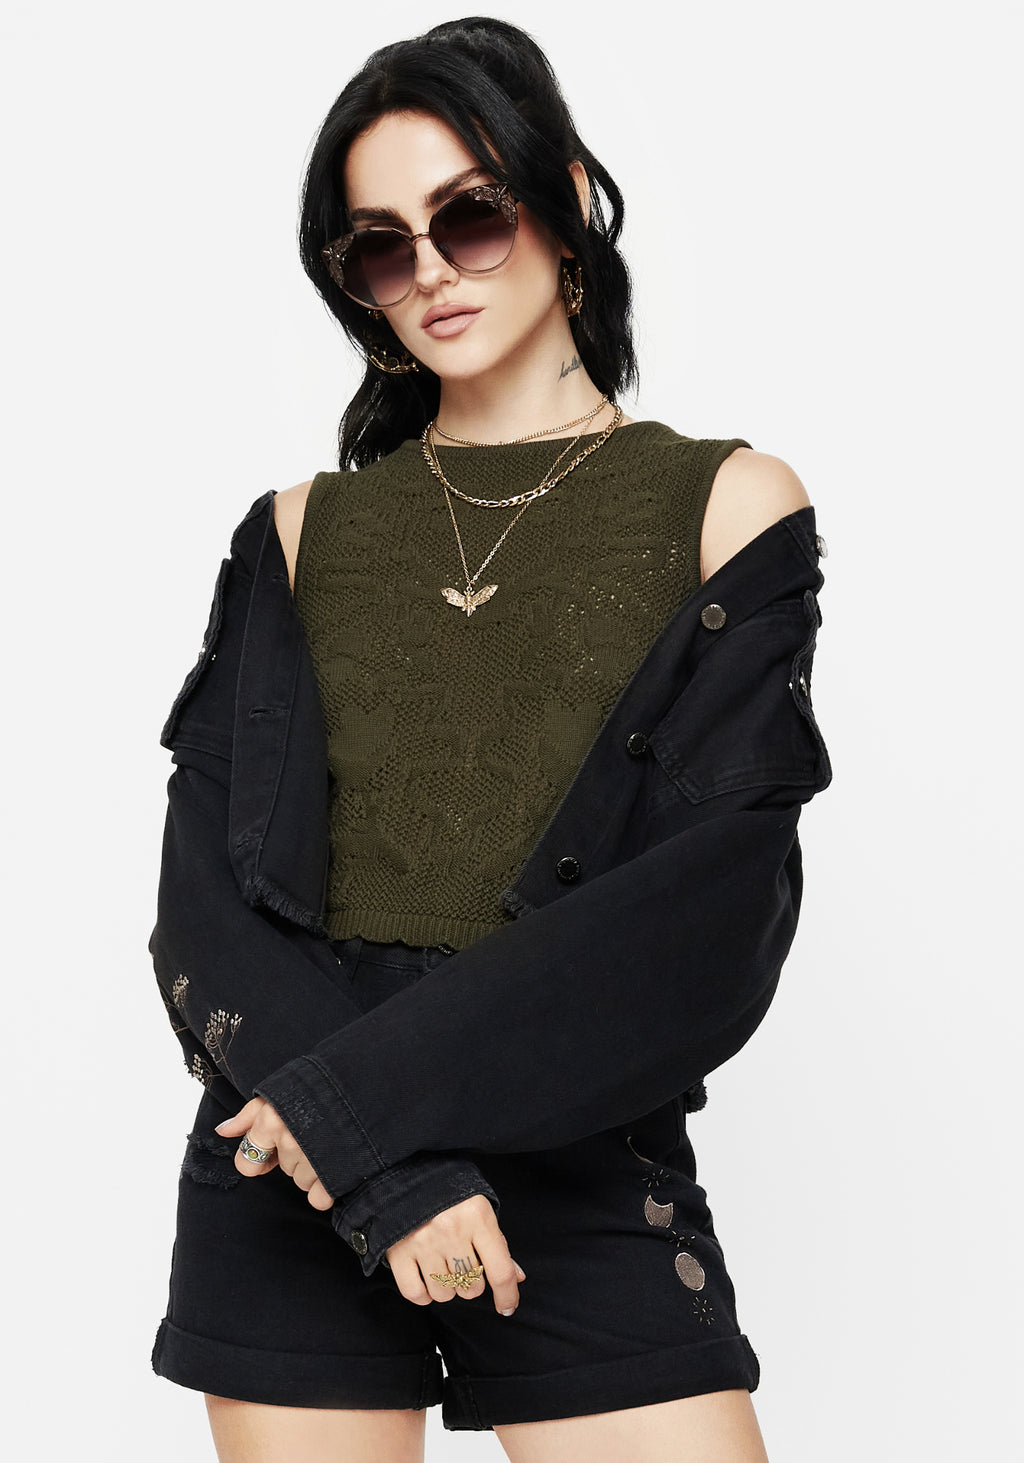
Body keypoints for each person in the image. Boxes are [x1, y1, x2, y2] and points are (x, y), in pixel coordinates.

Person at [148, 16, 832, 1462]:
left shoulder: (727, 505)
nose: (434, 273)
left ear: (567, 198)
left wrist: (365, 1112)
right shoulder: (299, 532)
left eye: (469, 216)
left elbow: (715, 907)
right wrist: (375, 1169)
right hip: (290, 1160)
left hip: (565, 1138)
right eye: (382, 249)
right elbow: (206, 904)